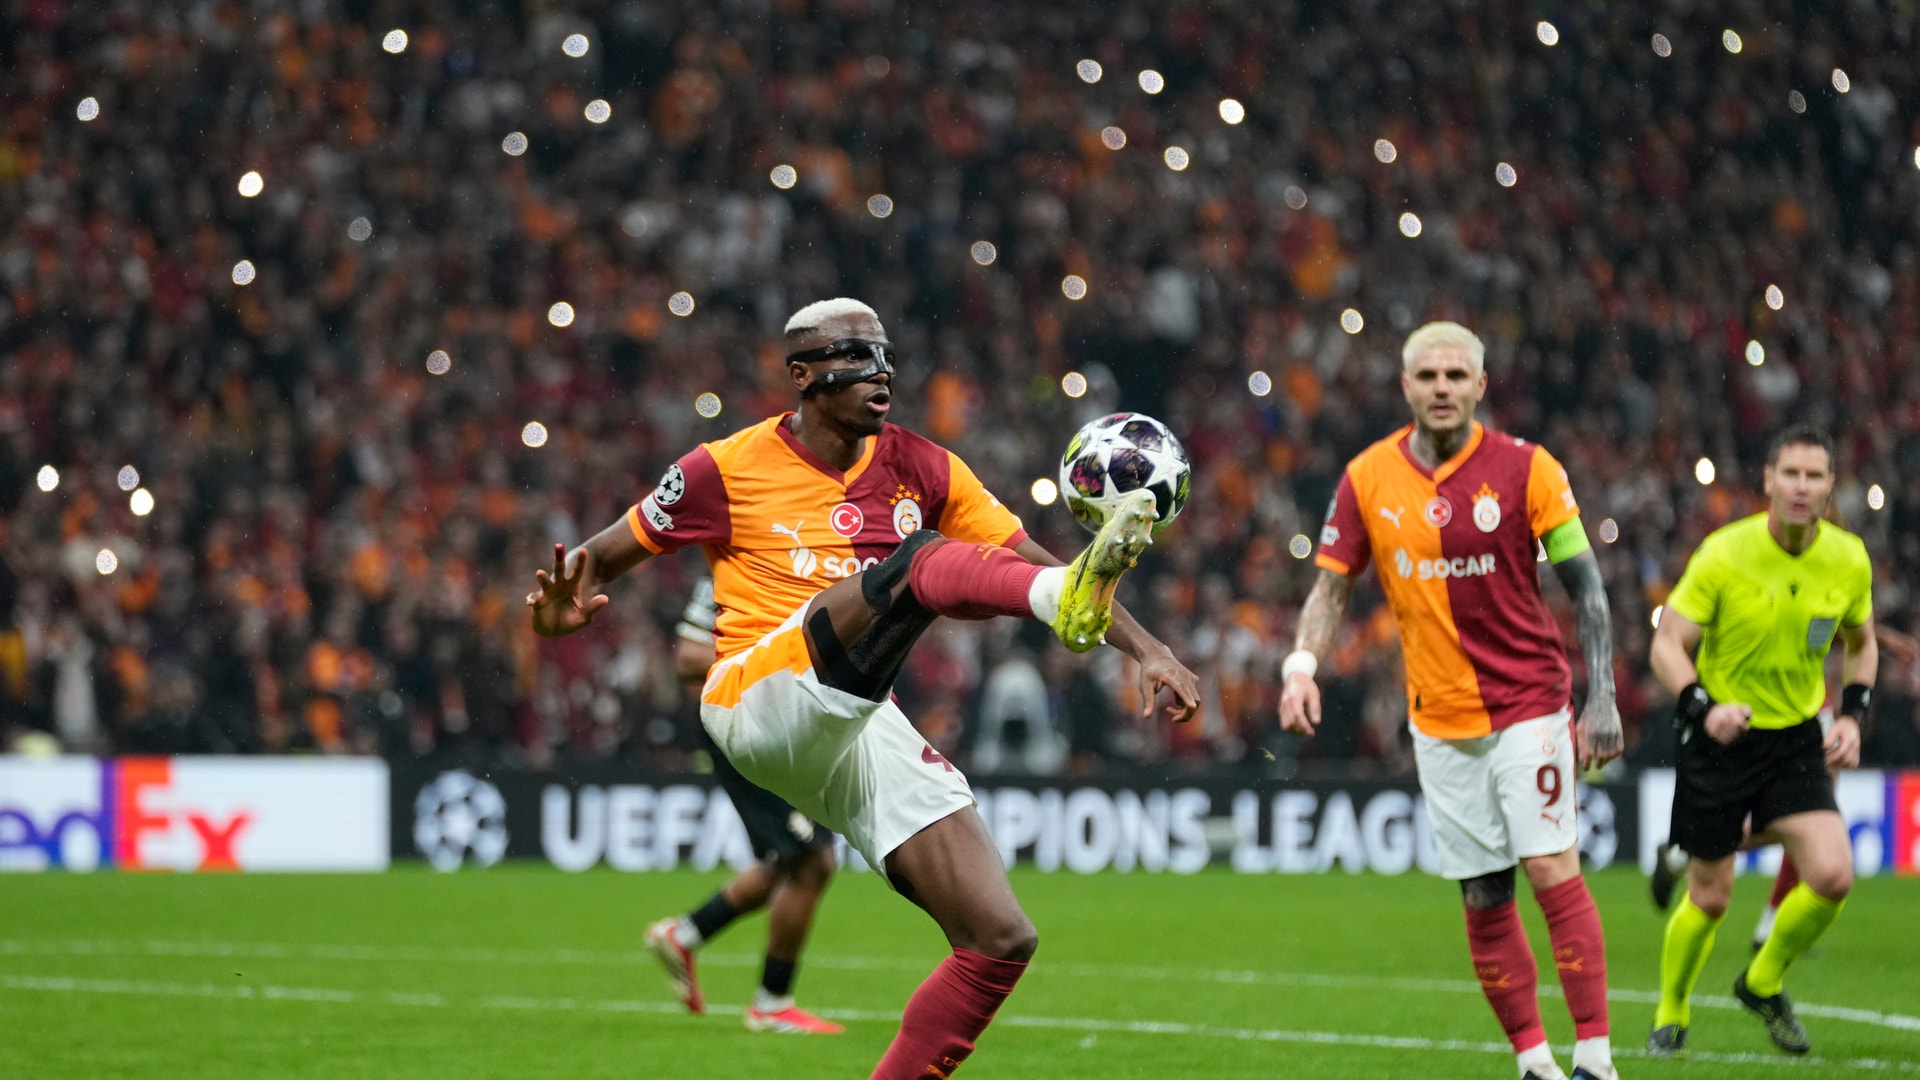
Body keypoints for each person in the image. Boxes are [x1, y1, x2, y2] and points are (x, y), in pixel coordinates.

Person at [527, 297, 1200, 1079]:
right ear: (803, 376)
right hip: (752, 695)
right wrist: (556, 615)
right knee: (917, 564)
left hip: (855, 717)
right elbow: (598, 560)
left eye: (883, 355)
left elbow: (1034, 562)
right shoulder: (722, 469)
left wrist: (1146, 648)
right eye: (853, 356)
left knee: (999, 937)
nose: (879, 373)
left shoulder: (925, 465)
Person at [1279, 321, 1624, 1080]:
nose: (1441, 388)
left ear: (1480, 385)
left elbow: (1587, 589)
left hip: (1529, 702)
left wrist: (1601, 694)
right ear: (1406, 387)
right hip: (1438, 718)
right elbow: (1331, 584)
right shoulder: (1367, 476)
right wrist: (1302, 664)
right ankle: (1533, 1061)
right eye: (1427, 376)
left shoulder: (1527, 469)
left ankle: (1595, 1058)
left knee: (1550, 866)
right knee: (1483, 891)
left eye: (1455, 375)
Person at [1645, 424, 1876, 1058]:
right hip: (1721, 737)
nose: (1802, 488)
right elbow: (1667, 644)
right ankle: (1672, 1009)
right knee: (1711, 897)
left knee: (1831, 874)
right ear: (1768, 481)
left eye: (1815, 476)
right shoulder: (1724, 553)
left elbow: (1863, 644)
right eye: (1791, 474)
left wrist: (1853, 716)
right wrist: (1703, 706)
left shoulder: (1848, 558)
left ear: (1832, 487)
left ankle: (1762, 980)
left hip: (1797, 737)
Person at [644, 577, 845, 1034]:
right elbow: (689, 658)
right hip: (741, 725)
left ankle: (686, 933)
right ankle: (771, 1004)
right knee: (813, 861)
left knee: (788, 860)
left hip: (785, 727)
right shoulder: (732, 567)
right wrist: (777, 659)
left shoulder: (806, 554)